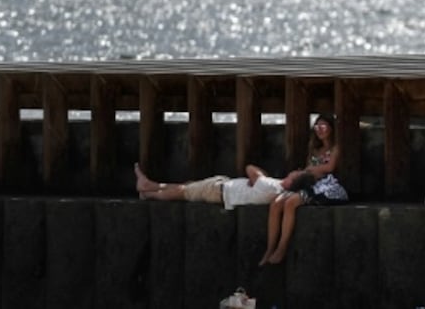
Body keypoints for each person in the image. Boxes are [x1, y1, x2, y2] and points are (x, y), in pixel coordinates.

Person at [260, 113, 348, 265]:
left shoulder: (336, 148)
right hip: (309, 183)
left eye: (323, 125)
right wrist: (302, 173)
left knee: (290, 203)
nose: (319, 129)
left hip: (326, 186)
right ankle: (269, 248)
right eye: (317, 126)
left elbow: (329, 167)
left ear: (331, 128)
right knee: (276, 203)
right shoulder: (314, 150)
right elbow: (309, 169)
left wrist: (306, 171)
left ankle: (281, 248)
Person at [134, 161, 286, 209]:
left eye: (297, 173)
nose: (295, 171)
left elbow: (250, 169)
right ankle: (151, 185)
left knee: (184, 191)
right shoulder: (278, 190)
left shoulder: (274, 186)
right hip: (221, 188)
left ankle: (148, 193)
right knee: (187, 186)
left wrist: (261, 176)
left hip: (219, 190)